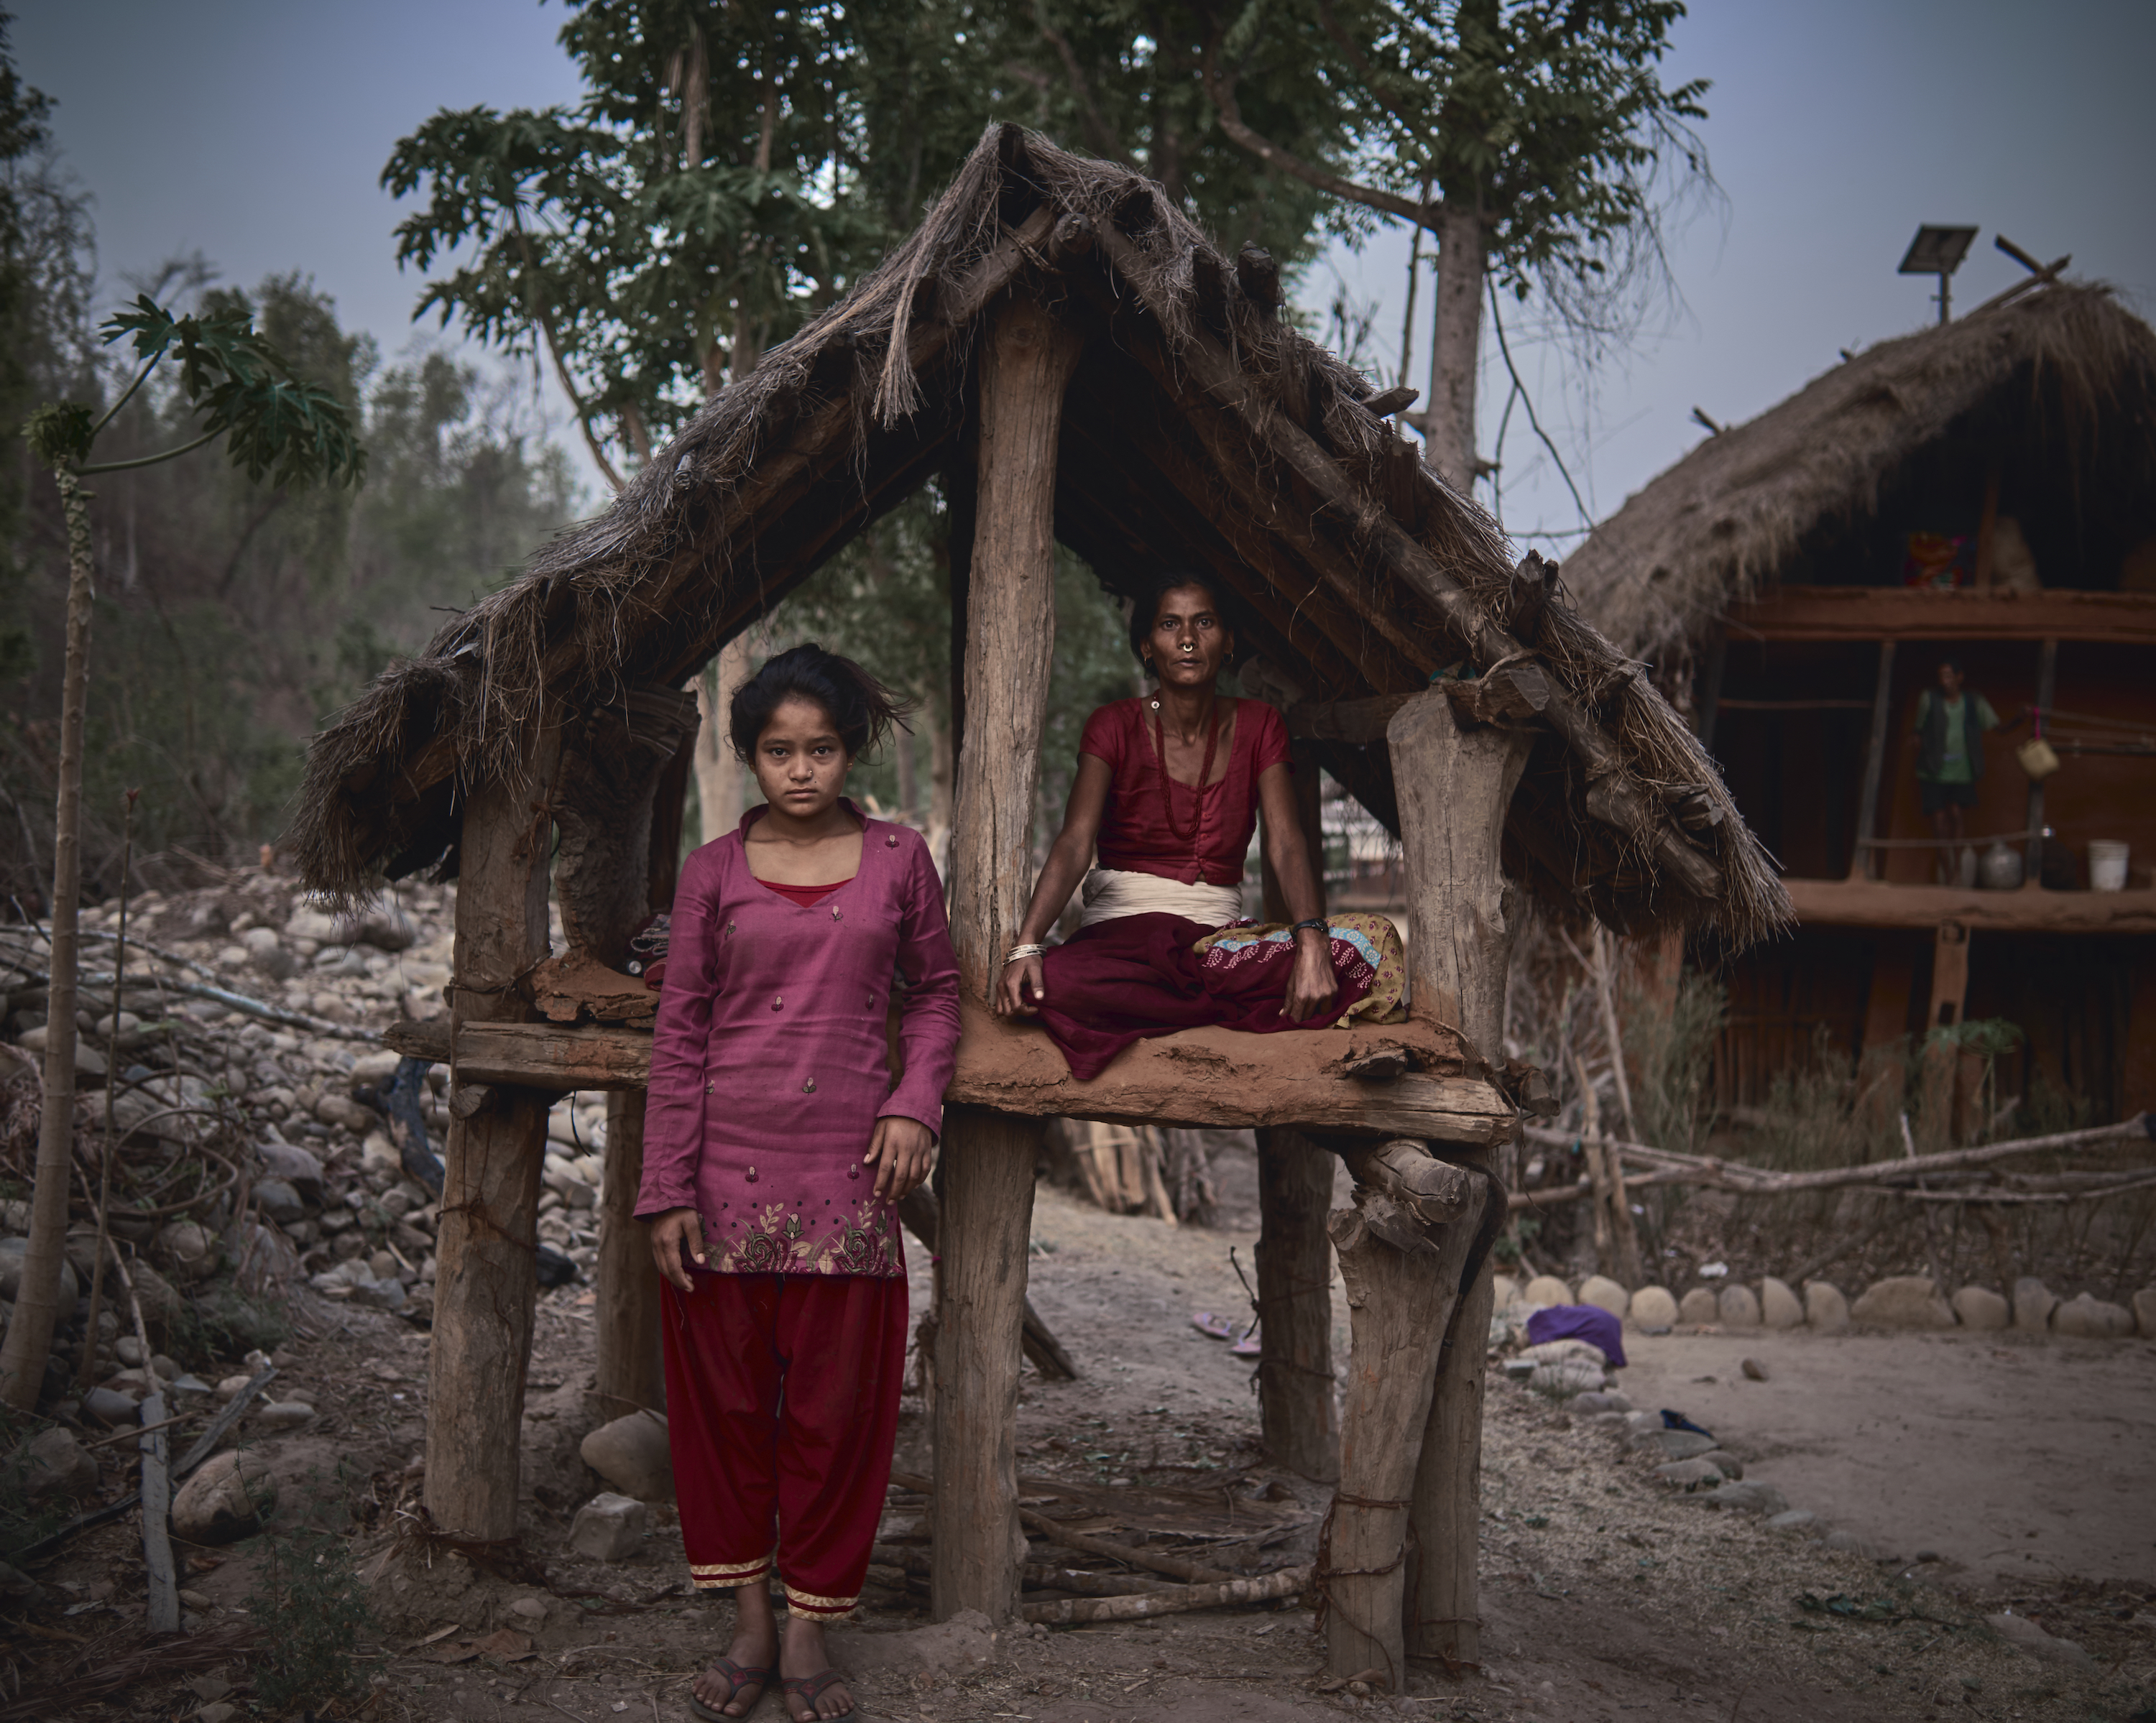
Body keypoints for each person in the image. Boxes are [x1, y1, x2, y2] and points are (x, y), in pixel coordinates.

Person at [637, 645, 960, 1723]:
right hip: (722, 1181)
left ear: (850, 750)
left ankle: (814, 1629)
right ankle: (749, 1627)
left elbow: (938, 995)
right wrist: (664, 1186)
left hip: (848, 1181)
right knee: (726, 1416)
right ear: (748, 757)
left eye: (821, 748)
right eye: (778, 750)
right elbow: (678, 1035)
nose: (802, 770)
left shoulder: (899, 859)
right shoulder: (711, 874)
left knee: (834, 1416)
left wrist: (917, 1100)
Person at [995, 571, 1405, 1078]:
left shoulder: (1260, 724)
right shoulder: (1113, 725)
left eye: (1204, 622)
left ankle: (1169, 1002)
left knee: (1370, 944)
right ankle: (1226, 1006)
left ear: (1228, 641)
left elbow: (1286, 842)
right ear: (1147, 646)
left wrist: (1313, 941)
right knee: (1049, 982)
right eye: (1170, 624)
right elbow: (1075, 843)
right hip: (1123, 945)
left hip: (1219, 948)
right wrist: (1028, 945)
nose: (1188, 638)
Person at [1912, 658, 2022, 885]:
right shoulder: (1929, 699)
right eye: (1941, 676)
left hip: (1961, 772)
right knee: (1939, 822)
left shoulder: (1974, 702)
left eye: (1949, 676)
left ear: (1960, 678)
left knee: (1956, 815)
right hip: (1933, 771)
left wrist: (2019, 718)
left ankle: (1957, 872)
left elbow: (1999, 727)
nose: (1945, 681)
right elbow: (1918, 730)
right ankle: (1948, 873)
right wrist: (1917, 742)